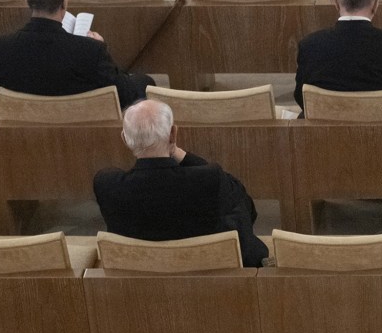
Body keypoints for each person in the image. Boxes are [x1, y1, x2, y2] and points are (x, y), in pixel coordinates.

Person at [94, 100, 269, 268]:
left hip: (140, 276)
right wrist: (176, 151)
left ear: (125, 139)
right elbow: (244, 200)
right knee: (235, 206)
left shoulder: (106, 184)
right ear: (173, 134)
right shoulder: (207, 179)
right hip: (204, 272)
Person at [0, 0, 153, 109]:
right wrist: (102, 49)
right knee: (145, 83)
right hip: (84, 137)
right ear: (64, 0)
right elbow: (126, 95)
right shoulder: (91, 51)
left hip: (19, 138)